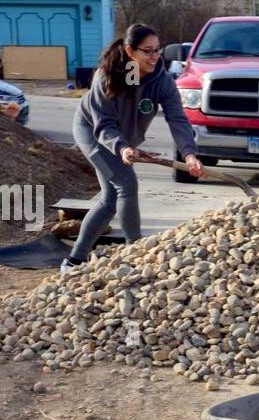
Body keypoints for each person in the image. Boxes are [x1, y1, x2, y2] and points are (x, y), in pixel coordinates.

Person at [65, 23, 203, 275]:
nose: (155, 57)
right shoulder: (109, 76)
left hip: (123, 141)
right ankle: (134, 251)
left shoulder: (161, 80)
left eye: (157, 50)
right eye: (147, 51)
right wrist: (122, 147)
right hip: (95, 134)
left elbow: (177, 118)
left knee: (109, 200)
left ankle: (74, 260)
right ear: (130, 51)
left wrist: (189, 153)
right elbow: (104, 123)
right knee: (126, 185)